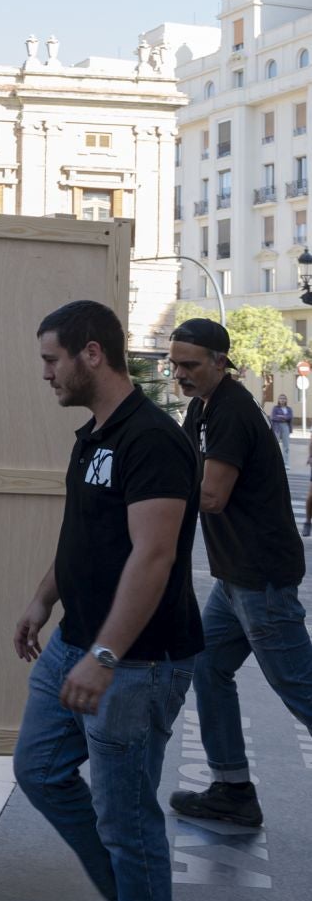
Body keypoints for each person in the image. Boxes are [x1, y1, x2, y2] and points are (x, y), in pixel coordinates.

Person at [12, 299, 202, 901]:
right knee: (39, 769)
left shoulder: (152, 440)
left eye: (52, 359)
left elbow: (153, 557)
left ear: (92, 353)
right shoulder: (94, 435)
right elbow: (83, 539)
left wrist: (104, 656)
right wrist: (43, 599)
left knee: (128, 824)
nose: (46, 374)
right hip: (78, 642)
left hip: (136, 661)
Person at [165, 318, 312, 831]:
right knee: (208, 666)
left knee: (299, 686)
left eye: (190, 365)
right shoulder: (202, 408)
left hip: (259, 576)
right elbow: (180, 460)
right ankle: (232, 790)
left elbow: (210, 495)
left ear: (220, 362)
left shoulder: (231, 412)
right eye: (174, 364)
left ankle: (232, 790)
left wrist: (149, 498)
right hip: (235, 578)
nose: (179, 374)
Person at [269, 392, 293, 464]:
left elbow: (290, 417)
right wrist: (283, 417)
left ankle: (286, 463)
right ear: (278, 400)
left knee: (286, 446)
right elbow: (273, 417)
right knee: (276, 446)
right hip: (277, 427)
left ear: (286, 400)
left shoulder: (289, 409)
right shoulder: (275, 408)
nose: (282, 400)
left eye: (284, 398)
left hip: (286, 427)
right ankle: (275, 462)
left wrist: (280, 416)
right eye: (281, 398)